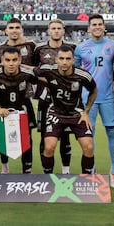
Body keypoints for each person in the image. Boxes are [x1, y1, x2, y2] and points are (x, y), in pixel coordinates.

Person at [33, 45, 97, 174]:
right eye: (61, 58)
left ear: (73, 60)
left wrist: (86, 112)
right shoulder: (48, 70)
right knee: (49, 147)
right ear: (56, 59)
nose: (64, 62)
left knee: (89, 147)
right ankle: (48, 176)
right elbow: (31, 70)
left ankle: (86, 179)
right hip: (55, 112)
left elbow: (94, 90)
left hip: (76, 113)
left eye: (68, 59)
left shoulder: (82, 75)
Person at [74, 14, 114, 188]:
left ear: (104, 27)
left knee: (111, 133)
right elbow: (75, 73)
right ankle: (91, 170)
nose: (97, 27)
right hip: (88, 100)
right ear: (88, 28)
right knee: (88, 136)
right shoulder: (80, 48)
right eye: (94, 24)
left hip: (108, 97)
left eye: (100, 24)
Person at [0, 46, 37, 174]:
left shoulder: (27, 73)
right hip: (0, 112)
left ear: (20, 60)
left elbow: (45, 80)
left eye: (14, 60)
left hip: (20, 111)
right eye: (8, 60)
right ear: (2, 60)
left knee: (26, 141)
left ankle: (27, 172)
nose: (11, 63)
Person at [0, 18, 36, 174]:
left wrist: (21, 66)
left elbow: (37, 69)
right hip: (2, 97)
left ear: (21, 29)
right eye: (11, 27)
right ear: (6, 30)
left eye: (17, 27)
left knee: (26, 137)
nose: (15, 30)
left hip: (24, 96)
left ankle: (27, 171)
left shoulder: (30, 46)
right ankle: (5, 167)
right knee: (3, 135)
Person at [32, 19, 75, 174]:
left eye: (59, 28)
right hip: (45, 99)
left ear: (63, 30)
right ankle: (46, 174)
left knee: (65, 137)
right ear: (48, 31)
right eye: (53, 28)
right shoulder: (39, 50)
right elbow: (33, 72)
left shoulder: (72, 48)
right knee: (45, 137)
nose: (56, 31)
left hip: (66, 101)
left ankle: (66, 172)